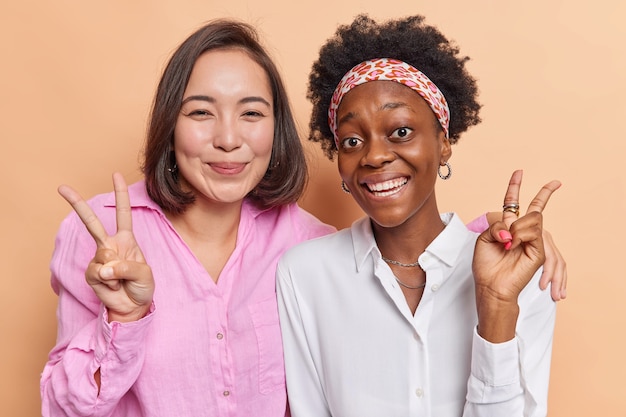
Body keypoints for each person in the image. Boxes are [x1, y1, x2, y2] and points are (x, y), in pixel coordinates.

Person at [41, 18, 565, 417]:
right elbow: (61, 407)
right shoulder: (104, 235)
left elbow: (403, 244)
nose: (228, 138)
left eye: (251, 112)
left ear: (276, 129)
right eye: (200, 112)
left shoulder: (303, 243)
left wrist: (496, 239)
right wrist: (124, 320)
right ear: (169, 125)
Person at [276, 14, 561, 417]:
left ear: (443, 143)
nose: (374, 156)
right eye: (352, 140)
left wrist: (496, 309)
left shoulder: (523, 276)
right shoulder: (304, 275)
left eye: (401, 131)